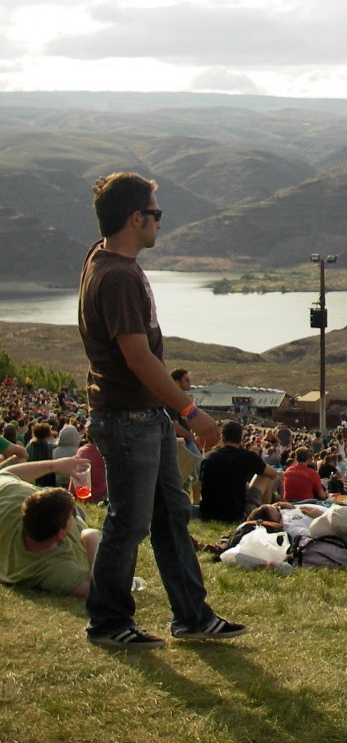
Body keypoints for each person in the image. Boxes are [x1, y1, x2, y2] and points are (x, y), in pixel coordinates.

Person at [78, 171, 245, 648]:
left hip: (142, 415)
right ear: (135, 219)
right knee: (127, 522)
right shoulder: (118, 276)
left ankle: (192, 615)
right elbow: (137, 356)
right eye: (155, 214)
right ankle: (108, 622)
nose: (160, 223)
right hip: (128, 418)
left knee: (171, 515)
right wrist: (190, 411)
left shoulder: (103, 257)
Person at [1, 456, 98, 596]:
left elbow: (6, 473)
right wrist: (92, 537)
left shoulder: (11, 501)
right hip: (72, 519)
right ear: (61, 533)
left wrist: (56, 465)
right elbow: (97, 590)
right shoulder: (52, 567)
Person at [199, 421, 277, 523]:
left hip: (208, 513)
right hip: (236, 516)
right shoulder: (248, 457)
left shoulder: (208, 457)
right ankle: (266, 517)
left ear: (222, 438)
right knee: (266, 477)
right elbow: (273, 473)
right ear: (241, 439)